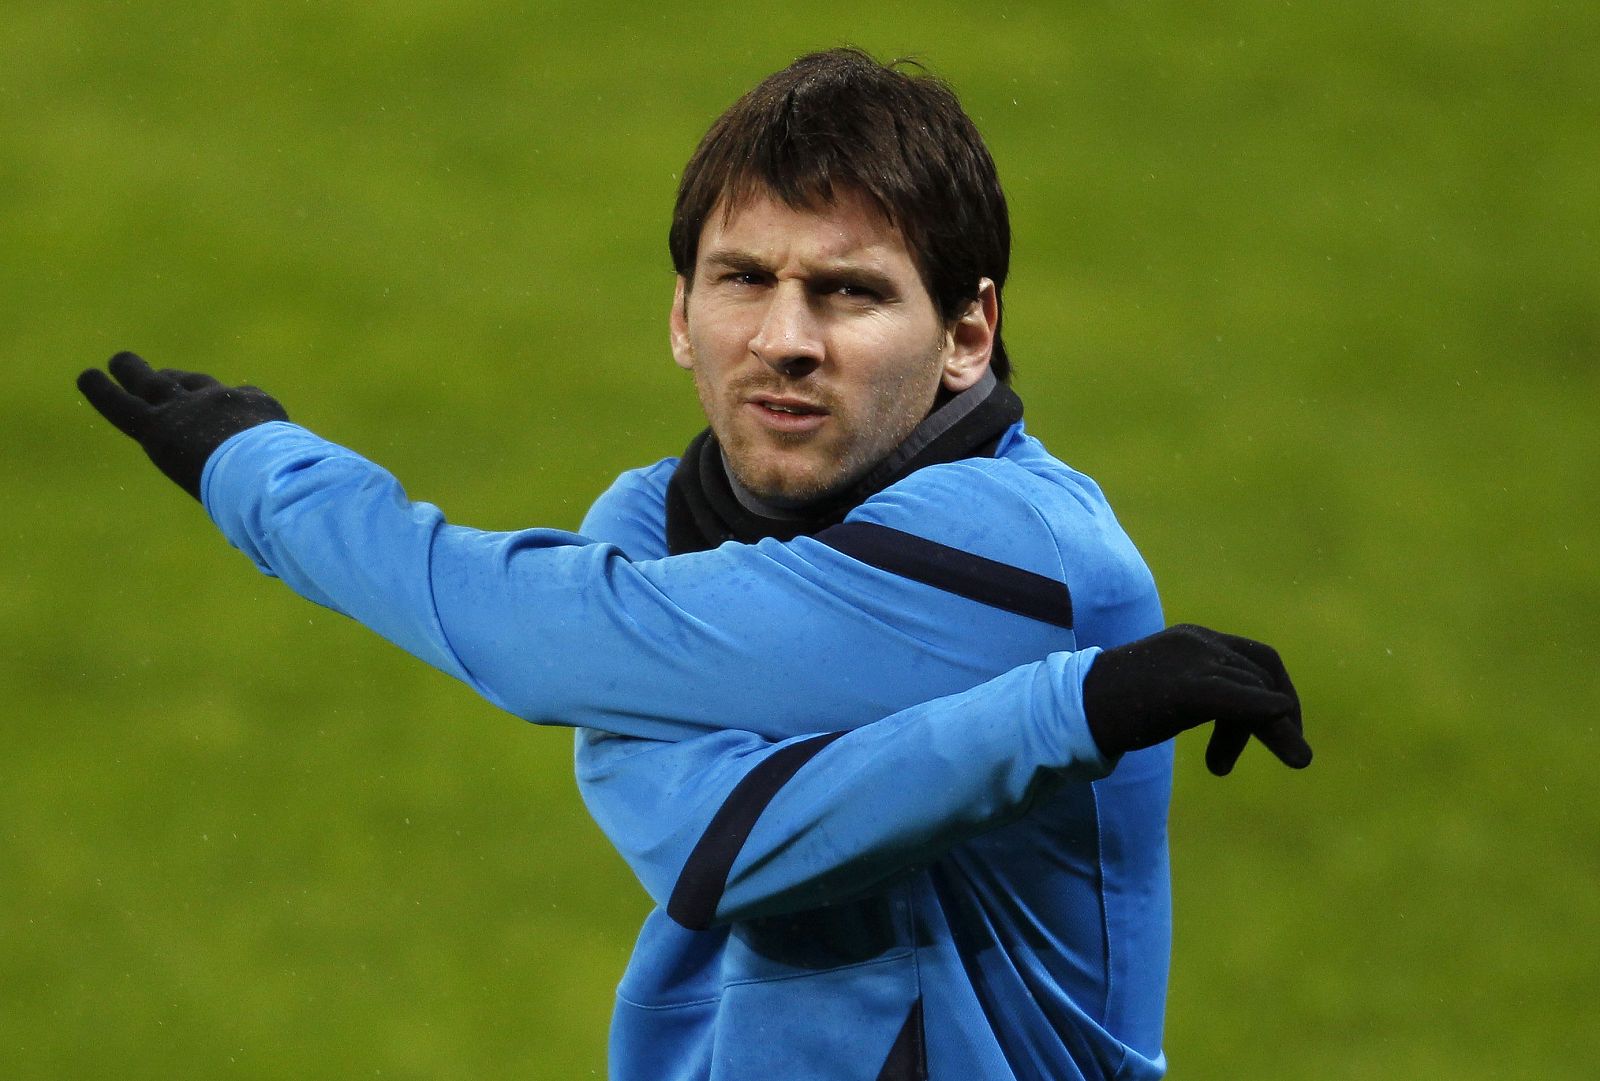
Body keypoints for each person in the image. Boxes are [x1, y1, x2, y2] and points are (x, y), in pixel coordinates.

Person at [77, 48, 1310, 1081]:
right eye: (743, 281)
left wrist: (264, 474)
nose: (784, 340)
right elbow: (698, 838)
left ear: (966, 335)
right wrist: (1075, 712)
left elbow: (721, 832)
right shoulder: (648, 531)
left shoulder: (1029, 556)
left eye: (848, 293)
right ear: (680, 314)